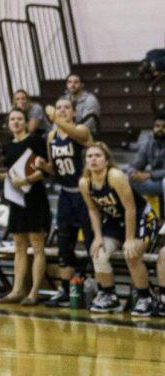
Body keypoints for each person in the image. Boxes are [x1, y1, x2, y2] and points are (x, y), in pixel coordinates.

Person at [79, 142, 158, 315]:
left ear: (106, 161)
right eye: (89, 156)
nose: (93, 159)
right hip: (116, 221)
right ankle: (109, 296)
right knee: (98, 252)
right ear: (85, 161)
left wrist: (129, 239)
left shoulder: (115, 176)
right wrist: (98, 236)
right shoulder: (85, 183)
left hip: (142, 218)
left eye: (98, 156)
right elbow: (93, 210)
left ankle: (145, 297)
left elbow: (131, 208)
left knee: (132, 253)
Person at [39, 97, 94, 307]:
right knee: (64, 244)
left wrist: (54, 116)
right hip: (65, 195)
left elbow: (76, 134)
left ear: (74, 113)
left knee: (91, 243)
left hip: (84, 193)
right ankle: (65, 289)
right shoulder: (52, 136)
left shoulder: (81, 129)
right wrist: (44, 166)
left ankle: (100, 287)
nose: (61, 110)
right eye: (58, 107)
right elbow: (54, 170)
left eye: (66, 108)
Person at [0, 107, 49, 305]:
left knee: (37, 245)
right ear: (8, 124)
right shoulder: (7, 147)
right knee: (19, 246)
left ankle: (34, 292)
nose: (15, 122)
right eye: (12, 119)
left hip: (35, 197)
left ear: (25, 122)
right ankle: (17, 290)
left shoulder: (35, 141)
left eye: (19, 119)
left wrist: (28, 179)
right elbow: (11, 174)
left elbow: (46, 169)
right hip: (15, 198)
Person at [125, 113, 165, 199]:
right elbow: (137, 164)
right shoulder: (149, 143)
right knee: (125, 177)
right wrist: (133, 173)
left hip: (161, 180)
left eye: (164, 127)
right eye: (157, 126)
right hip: (154, 182)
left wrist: (149, 175)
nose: (160, 129)